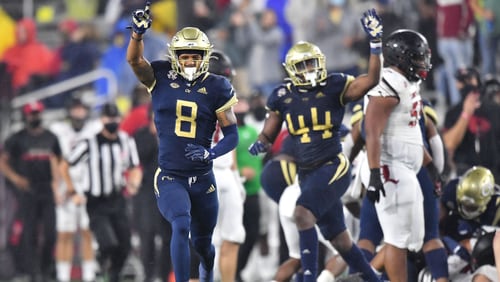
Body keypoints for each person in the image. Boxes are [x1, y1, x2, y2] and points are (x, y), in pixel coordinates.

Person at [248, 8, 384, 282]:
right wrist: (261, 142)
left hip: (332, 165)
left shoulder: (335, 85)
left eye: (312, 64)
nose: (309, 70)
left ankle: (308, 278)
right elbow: (270, 132)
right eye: (303, 66)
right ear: (292, 70)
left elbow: (371, 80)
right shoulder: (282, 96)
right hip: (306, 171)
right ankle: (374, 278)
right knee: (341, 239)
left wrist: (375, 45)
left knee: (302, 213)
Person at [126, 3, 240, 281]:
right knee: (180, 224)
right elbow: (135, 62)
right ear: (175, 56)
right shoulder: (161, 75)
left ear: (205, 57)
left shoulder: (217, 86)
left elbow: (232, 135)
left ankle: (207, 273)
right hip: (170, 175)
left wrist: (210, 154)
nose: (190, 61)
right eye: (185, 56)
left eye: (195, 56)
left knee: (204, 244)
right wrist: (137, 37)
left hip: (202, 177)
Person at [361, 29, 442, 282]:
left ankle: (364, 275)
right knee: (397, 239)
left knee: (413, 240)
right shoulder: (388, 82)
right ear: (400, 57)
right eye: (417, 57)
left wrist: (429, 167)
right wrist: (375, 173)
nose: (422, 63)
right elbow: (372, 132)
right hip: (389, 167)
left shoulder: (408, 83)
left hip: (405, 167)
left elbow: (410, 135)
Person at [60, 102, 142, 282]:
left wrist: (134, 183)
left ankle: (112, 276)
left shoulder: (125, 141)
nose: (111, 121)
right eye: (108, 118)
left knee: (125, 245)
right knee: (108, 243)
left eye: (114, 118)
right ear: (101, 120)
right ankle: (100, 261)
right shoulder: (89, 143)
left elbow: (135, 167)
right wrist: (73, 191)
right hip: (97, 202)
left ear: (119, 119)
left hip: (118, 198)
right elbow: (65, 165)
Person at [0, 101, 61, 282]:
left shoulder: (51, 137)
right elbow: (2, 161)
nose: (34, 117)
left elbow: (58, 162)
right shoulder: (17, 138)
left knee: (51, 233)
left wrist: (57, 185)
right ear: (26, 116)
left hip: (47, 189)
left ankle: (45, 268)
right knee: (30, 234)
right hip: (28, 191)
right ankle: (34, 273)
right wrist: (16, 178)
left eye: (37, 114)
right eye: (31, 114)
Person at [208, 50, 246, 282]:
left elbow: (229, 142)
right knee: (206, 240)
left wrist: (234, 172)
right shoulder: (193, 99)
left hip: (225, 172)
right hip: (205, 171)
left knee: (232, 237)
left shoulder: (226, 99)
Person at [49, 97, 97, 282]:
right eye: (75, 109)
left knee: (88, 232)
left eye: (81, 109)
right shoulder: (59, 131)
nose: (79, 113)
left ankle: (89, 276)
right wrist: (56, 186)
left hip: (87, 185)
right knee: (64, 233)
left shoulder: (94, 129)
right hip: (65, 184)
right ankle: (62, 276)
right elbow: (54, 158)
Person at [132, 105, 173, 282]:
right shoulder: (141, 135)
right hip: (147, 190)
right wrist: (153, 135)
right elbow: (138, 157)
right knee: (147, 233)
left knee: (168, 236)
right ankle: (148, 275)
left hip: (168, 190)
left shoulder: (173, 135)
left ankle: (165, 275)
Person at [439, 166, 499, 281]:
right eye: (463, 204)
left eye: (471, 207)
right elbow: (435, 224)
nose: (466, 209)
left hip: (483, 257)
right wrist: (445, 241)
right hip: (452, 248)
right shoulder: (452, 190)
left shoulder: (496, 207)